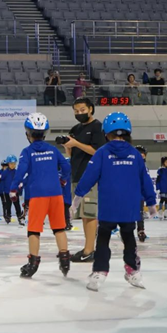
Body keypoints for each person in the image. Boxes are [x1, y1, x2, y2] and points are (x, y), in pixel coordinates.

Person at [70, 112, 157, 291]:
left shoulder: (102, 153)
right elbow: (145, 180)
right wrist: (151, 202)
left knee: (103, 239)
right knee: (129, 239)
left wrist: (77, 198)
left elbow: (88, 177)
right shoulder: (135, 154)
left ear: (106, 134)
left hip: (108, 208)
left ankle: (100, 272)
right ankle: (132, 271)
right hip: (129, 209)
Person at [9, 112, 71, 278]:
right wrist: (63, 180)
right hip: (56, 194)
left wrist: (13, 189)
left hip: (38, 195)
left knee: (34, 230)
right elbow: (66, 167)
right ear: (44, 133)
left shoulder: (27, 152)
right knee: (59, 228)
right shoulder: (53, 150)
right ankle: (65, 259)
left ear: (27, 134)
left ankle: (33, 263)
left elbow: (20, 171)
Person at [62, 98, 106, 263]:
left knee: (90, 213)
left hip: (91, 177)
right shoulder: (76, 128)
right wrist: (68, 147)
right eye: (76, 110)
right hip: (78, 176)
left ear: (91, 109)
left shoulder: (97, 127)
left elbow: (97, 152)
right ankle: (88, 248)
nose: (79, 113)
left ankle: (90, 250)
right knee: (85, 215)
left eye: (82, 110)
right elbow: (73, 155)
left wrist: (76, 143)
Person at [135, 145, 150, 242]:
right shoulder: (131, 165)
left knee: (140, 212)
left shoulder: (144, 167)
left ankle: (140, 230)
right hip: (129, 192)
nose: (142, 155)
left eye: (143, 154)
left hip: (139, 193)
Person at [5, 155, 25, 226]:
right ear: (8, 164)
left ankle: (19, 217)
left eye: (14, 164)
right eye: (11, 164)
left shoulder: (17, 172)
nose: (13, 165)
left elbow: (21, 181)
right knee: (8, 205)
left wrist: (20, 190)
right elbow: (0, 181)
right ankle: (8, 216)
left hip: (15, 192)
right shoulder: (5, 172)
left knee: (17, 205)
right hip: (7, 192)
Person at [156, 156, 167, 221]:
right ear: (163, 163)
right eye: (166, 162)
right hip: (162, 187)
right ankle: (160, 211)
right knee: (162, 199)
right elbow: (158, 180)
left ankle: (166, 211)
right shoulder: (160, 170)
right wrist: (157, 188)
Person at [61, 158, 73, 231]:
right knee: (65, 208)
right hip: (65, 194)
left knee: (65, 208)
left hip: (65, 193)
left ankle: (66, 223)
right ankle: (66, 223)